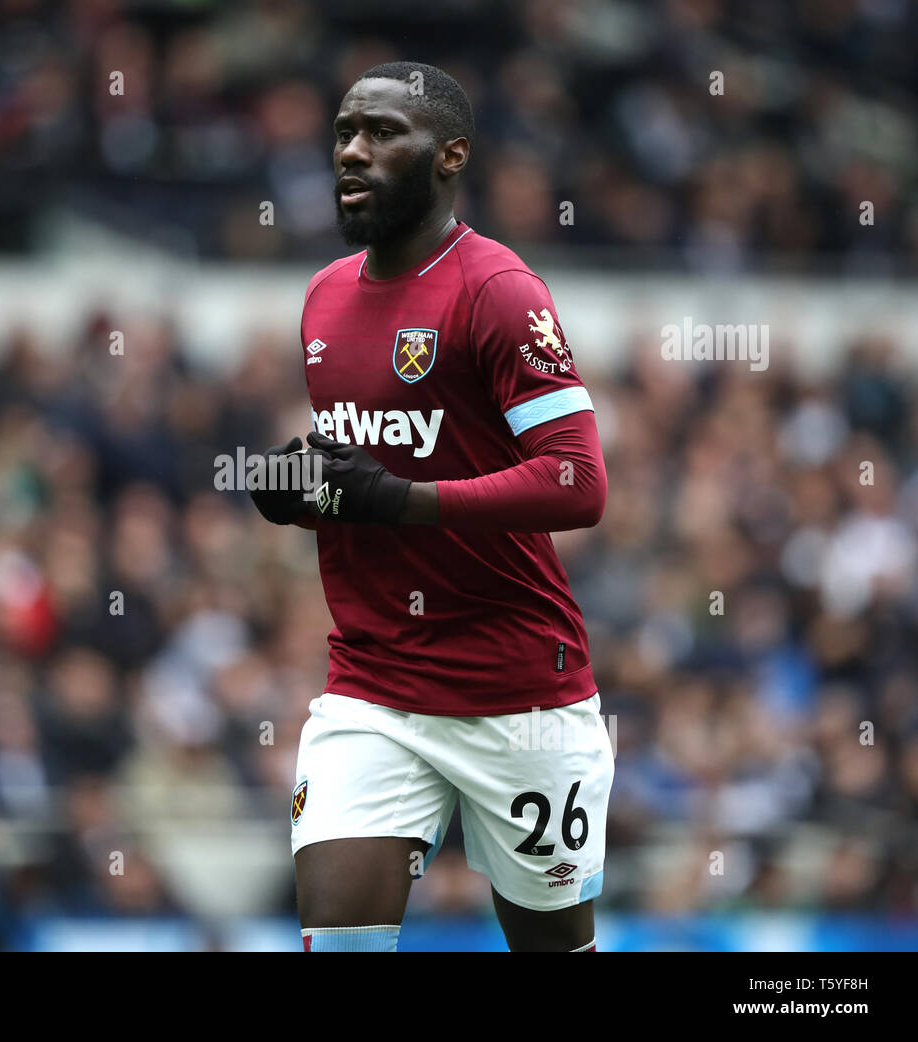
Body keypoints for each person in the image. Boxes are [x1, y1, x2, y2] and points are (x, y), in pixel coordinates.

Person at [249, 62, 612, 952]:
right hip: (373, 687)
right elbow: (369, 472)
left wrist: (396, 501)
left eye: (381, 133)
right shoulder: (324, 296)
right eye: (343, 133)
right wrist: (300, 489)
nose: (352, 152)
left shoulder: (499, 292)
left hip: (517, 695)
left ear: (450, 155)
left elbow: (579, 481)